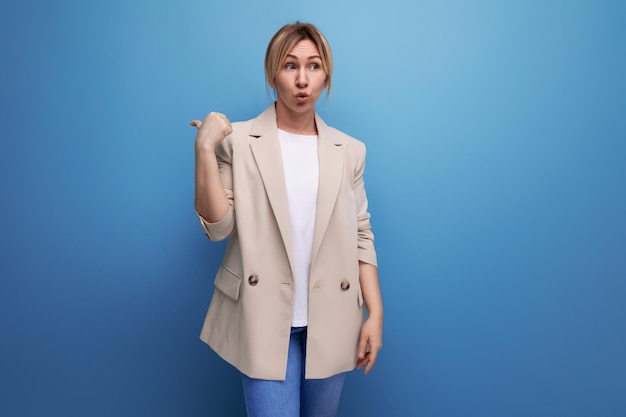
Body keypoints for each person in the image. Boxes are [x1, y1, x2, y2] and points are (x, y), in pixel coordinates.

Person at [190, 22, 383, 417]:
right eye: (290, 65)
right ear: (272, 73)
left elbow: (361, 234)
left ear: (326, 75)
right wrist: (205, 150)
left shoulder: (349, 151)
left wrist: (375, 314)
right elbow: (218, 227)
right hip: (263, 316)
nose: (301, 79)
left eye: (313, 66)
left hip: (334, 316)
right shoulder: (238, 142)